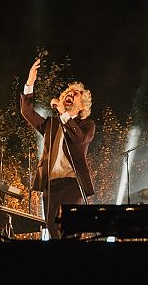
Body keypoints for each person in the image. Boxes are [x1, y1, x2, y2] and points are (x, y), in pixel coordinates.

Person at [20, 58, 95, 239]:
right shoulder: (51, 124)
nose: (70, 94)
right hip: (50, 185)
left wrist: (63, 113)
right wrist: (30, 83)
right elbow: (27, 112)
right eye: (68, 92)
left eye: (76, 93)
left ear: (82, 105)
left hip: (72, 184)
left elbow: (78, 139)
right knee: (53, 230)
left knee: (70, 231)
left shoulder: (87, 125)